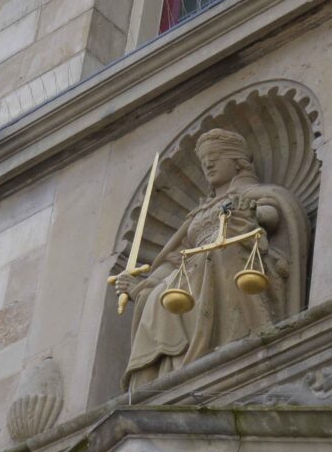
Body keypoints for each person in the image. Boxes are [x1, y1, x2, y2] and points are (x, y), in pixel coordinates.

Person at [115, 128, 310, 389]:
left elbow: (273, 214)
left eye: (216, 157)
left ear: (238, 161)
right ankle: (160, 380)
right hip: (193, 269)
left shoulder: (250, 195)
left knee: (219, 254)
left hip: (233, 258)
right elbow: (175, 258)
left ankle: (230, 343)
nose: (208, 164)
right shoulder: (199, 213)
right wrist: (139, 287)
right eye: (205, 159)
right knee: (154, 295)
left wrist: (251, 215)